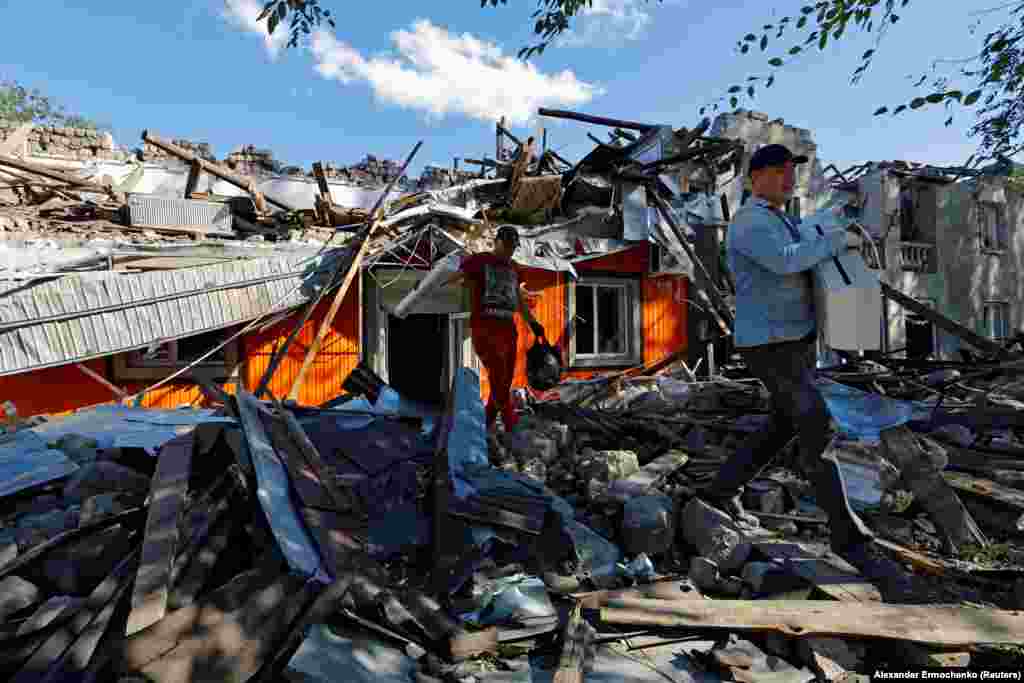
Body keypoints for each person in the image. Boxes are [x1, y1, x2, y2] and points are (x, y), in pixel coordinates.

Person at [703, 144, 911, 596]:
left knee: (783, 424)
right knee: (814, 422)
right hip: (770, 344)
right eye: (778, 172)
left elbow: (803, 247)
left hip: (791, 341)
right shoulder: (751, 222)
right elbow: (788, 260)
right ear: (754, 176)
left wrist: (837, 226)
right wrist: (840, 239)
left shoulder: (780, 217)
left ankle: (721, 490)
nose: (788, 179)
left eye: (791, 173)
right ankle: (847, 534)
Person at [441, 225, 545, 431]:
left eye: (513, 247)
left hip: (508, 331)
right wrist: (449, 281)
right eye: (506, 246)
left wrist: (533, 323)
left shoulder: (514, 268)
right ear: (496, 242)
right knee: (498, 379)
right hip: (485, 330)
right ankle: (511, 426)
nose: (509, 251)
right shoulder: (479, 261)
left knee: (504, 383)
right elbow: (451, 278)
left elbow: (518, 299)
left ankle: (486, 425)